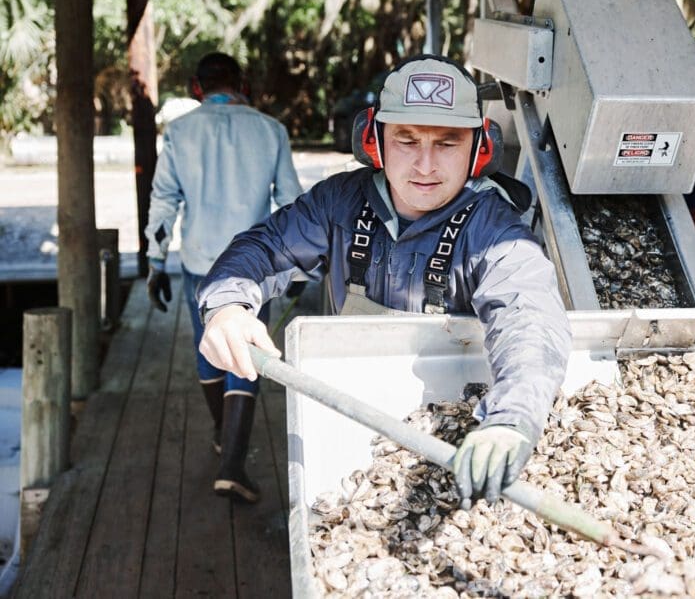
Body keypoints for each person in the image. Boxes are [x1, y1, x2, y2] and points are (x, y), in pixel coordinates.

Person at [196, 54, 571, 507]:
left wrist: (511, 419)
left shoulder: (496, 231)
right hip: (345, 425)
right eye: (407, 140)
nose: (426, 166)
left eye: (448, 144)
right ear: (374, 141)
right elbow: (260, 250)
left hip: (452, 436)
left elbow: (529, 317)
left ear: (480, 149)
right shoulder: (338, 202)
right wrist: (226, 307)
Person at [144, 52, 303, 503]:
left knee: (209, 352)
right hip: (255, 268)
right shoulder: (271, 130)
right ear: (243, 84)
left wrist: (156, 261)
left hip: (200, 263)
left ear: (198, 87)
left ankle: (223, 435)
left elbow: (163, 202)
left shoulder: (179, 133)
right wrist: (298, 266)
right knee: (245, 356)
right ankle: (231, 461)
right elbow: (292, 204)